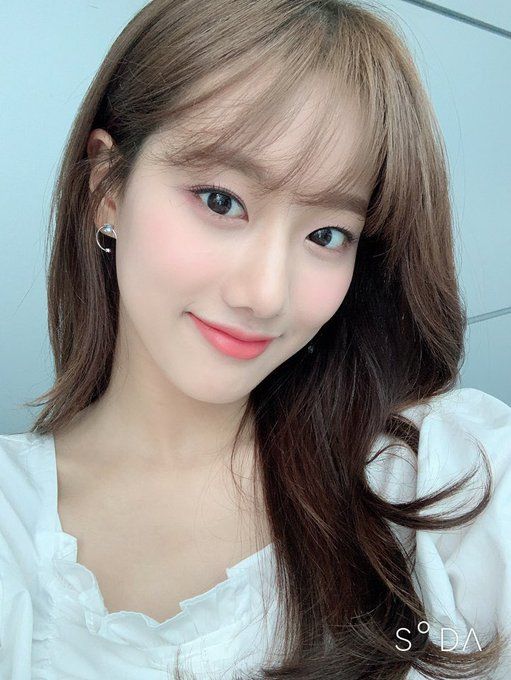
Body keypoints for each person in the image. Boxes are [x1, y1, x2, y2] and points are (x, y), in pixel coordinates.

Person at [1, 0, 510, 678]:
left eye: (326, 234)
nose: (266, 295)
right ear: (107, 191)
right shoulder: (11, 522)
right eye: (221, 200)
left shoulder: (448, 485)